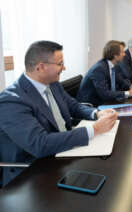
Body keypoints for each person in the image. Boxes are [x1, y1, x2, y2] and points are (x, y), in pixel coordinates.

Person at [0, 41, 118, 187]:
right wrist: (94, 129)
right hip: (33, 173)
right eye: (60, 63)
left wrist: (97, 114)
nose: (64, 68)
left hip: (63, 151)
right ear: (41, 67)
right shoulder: (11, 101)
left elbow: (73, 106)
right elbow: (40, 144)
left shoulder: (52, 83)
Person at [77, 40, 132, 106]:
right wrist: (128, 93)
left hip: (105, 101)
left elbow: (121, 80)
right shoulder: (99, 69)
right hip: (91, 105)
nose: (124, 54)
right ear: (115, 55)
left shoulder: (112, 65)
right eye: (122, 52)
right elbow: (105, 94)